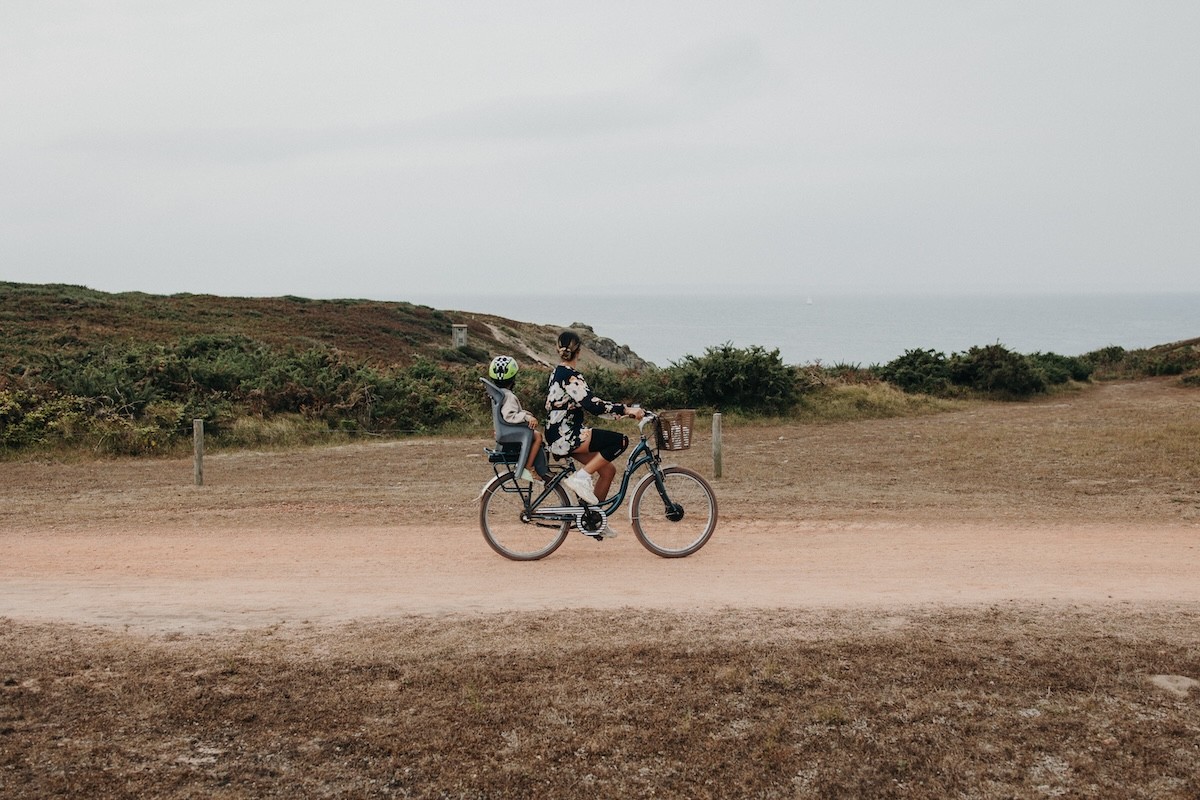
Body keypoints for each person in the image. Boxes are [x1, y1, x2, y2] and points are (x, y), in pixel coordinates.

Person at [545, 330, 644, 506]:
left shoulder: (557, 372)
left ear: (558, 349)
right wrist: (625, 409)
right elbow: (593, 405)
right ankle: (581, 477)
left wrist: (622, 411)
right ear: (579, 352)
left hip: (559, 434)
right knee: (620, 441)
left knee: (608, 471)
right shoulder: (570, 376)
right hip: (566, 435)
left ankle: (593, 518)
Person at [487, 355, 546, 483]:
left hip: (504, 431)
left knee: (536, 436)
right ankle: (529, 467)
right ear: (513, 378)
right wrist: (526, 417)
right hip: (511, 431)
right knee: (538, 437)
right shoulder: (509, 396)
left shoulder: (498, 394)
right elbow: (510, 416)